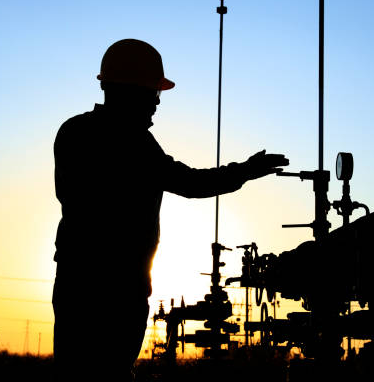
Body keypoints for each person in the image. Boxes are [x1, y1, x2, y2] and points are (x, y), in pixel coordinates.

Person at [52, 39, 289, 381]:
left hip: (75, 281)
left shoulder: (73, 131)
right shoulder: (132, 142)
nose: (157, 103)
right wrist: (246, 171)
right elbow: (191, 183)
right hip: (118, 287)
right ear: (132, 90)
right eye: (153, 92)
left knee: (74, 373)